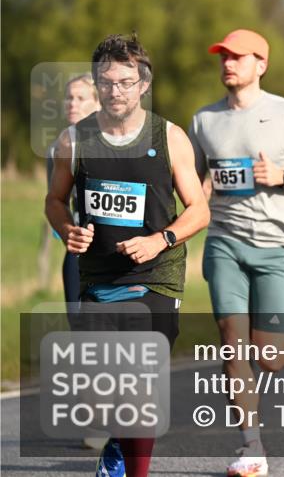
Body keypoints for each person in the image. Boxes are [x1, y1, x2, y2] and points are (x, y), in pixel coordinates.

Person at [45, 34, 210, 477]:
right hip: (98, 278)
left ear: (142, 85)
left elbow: (199, 210)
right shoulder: (74, 139)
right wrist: (67, 231)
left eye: (124, 81)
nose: (114, 90)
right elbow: (55, 201)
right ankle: (119, 439)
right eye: (106, 81)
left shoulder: (169, 137)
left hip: (156, 276)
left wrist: (161, 240)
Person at [188, 29, 284, 477]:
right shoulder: (204, 121)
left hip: (275, 246)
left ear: (261, 64)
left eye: (237, 57)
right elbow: (194, 184)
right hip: (223, 244)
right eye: (223, 57)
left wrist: (283, 177)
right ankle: (251, 450)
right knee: (233, 348)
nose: (228, 64)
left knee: (267, 355)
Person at [46, 75, 101, 314]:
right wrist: (68, 231)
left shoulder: (118, 143)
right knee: (80, 327)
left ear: (98, 103)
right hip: (78, 248)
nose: (72, 103)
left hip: (117, 247)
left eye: (80, 98)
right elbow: (56, 200)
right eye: (69, 97)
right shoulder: (59, 147)